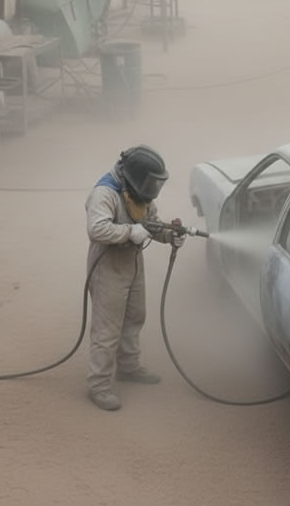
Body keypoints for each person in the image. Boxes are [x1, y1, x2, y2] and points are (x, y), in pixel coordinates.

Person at [85, 145, 185, 411]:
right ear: (135, 176)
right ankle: (99, 385)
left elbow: (151, 223)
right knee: (107, 330)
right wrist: (130, 232)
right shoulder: (105, 193)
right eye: (150, 182)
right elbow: (97, 229)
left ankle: (128, 368)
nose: (153, 189)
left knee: (134, 317)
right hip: (107, 266)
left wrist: (169, 235)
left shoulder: (140, 192)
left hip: (133, 263)